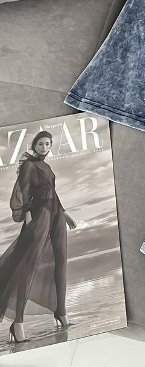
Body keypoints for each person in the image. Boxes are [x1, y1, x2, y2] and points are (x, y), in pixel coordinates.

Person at [0, 131, 76, 343]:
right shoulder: (29, 165)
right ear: (34, 145)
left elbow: (53, 192)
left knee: (61, 260)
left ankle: (61, 312)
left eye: (47, 144)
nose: (44, 147)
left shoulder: (47, 167)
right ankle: (18, 323)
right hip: (39, 214)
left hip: (56, 213)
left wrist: (64, 213)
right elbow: (24, 192)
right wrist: (27, 217)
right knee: (28, 265)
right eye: (41, 144)